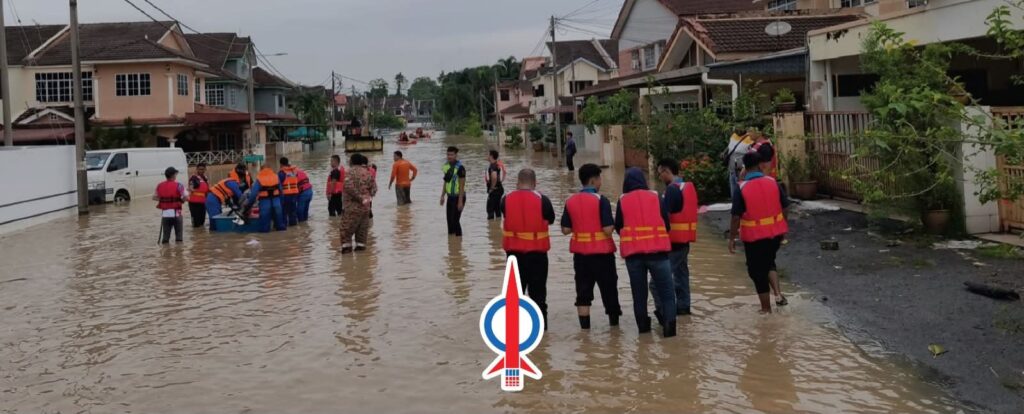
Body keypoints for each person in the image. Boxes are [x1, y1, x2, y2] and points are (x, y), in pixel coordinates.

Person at [615, 167, 676, 337]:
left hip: (634, 256)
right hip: (659, 254)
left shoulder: (623, 200)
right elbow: (666, 224)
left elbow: (619, 226)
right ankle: (670, 332)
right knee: (667, 294)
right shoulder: (656, 196)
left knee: (639, 296)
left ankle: (643, 332)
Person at [561, 163, 622, 329]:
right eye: (600, 178)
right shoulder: (601, 200)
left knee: (583, 293)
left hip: (580, 257)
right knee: (609, 291)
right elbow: (607, 229)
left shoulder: (570, 201)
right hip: (602, 256)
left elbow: (565, 230)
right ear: (593, 180)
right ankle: (615, 332)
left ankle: (585, 332)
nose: (601, 182)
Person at [729, 152, 791, 313]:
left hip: (755, 237)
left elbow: (735, 217)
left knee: (757, 271)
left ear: (745, 167)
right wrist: (782, 225)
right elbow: (785, 207)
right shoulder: (772, 182)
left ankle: (766, 309)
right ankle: (778, 295)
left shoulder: (741, 187)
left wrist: (732, 238)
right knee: (768, 262)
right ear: (760, 165)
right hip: (775, 234)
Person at [501, 168, 555, 328]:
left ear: (517, 183)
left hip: (513, 256)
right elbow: (551, 219)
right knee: (538, 296)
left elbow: (506, 215)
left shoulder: (505, 199)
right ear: (535, 183)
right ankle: (542, 333)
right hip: (537, 256)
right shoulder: (543, 200)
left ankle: (516, 331)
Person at [655, 158, 698, 318]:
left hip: (673, 243)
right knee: (681, 275)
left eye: (660, 174)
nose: (660, 177)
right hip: (684, 241)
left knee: (658, 281)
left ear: (666, 171)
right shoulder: (685, 186)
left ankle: (665, 314)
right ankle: (683, 308)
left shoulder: (672, 190)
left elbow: (664, 217)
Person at [341, 153, 377, 252]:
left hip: (352, 208)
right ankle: (361, 255)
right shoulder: (368, 173)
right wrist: (367, 197)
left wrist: (360, 198)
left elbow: (348, 186)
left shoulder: (349, 172)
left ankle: (347, 254)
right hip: (366, 208)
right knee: (362, 233)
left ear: (352, 161)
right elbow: (374, 189)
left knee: (346, 232)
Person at [248, 164, 287, 232]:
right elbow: (281, 191)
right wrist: (281, 203)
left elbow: (253, 194)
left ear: (261, 170)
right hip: (276, 202)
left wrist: (249, 205)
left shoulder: (259, 178)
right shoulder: (276, 176)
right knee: (280, 226)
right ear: (270, 169)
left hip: (265, 203)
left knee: (264, 229)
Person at [154, 167, 187, 244]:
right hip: (177, 214)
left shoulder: (159, 185)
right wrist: (181, 201)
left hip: (165, 215)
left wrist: (164, 200)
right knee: (179, 238)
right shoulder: (179, 185)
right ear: (173, 175)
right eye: (176, 174)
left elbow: (154, 197)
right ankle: (179, 250)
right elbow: (186, 197)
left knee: (165, 238)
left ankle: (165, 251)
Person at [440, 146, 467, 237]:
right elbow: (446, 182)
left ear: (456, 155)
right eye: (448, 154)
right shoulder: (446, 166)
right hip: (450, 197)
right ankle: (452, 242)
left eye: (451, 155)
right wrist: (442, 196)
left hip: (459, 196)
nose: (449, 156)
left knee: (455, 221)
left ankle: (459, 240)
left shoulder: (460, 168)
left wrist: (460, 201)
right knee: (449, 221)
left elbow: (462, 185)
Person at [723, 128, 753, 200]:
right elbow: (730, 147)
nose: (737, 131)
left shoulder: (750, 139)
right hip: (732, 168)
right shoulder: (734, 135)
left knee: (741, 189)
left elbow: (751, 155)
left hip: (742, 170)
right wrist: (724, 152)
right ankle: (734, 202)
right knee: (733, 187)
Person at [279, 157, 301, 226]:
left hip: (286, 195)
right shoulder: (294, 171)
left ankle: (284, 226)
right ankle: (293, 226)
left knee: (284, 211)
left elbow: (278, 185)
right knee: (293, 211)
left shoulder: (282, 173)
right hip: (295, 194)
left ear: (281, 164)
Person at [186, 163, 209, 228]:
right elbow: (190, 188)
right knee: (196, 223)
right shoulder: (193, 178)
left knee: (202, 221)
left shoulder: (205, 178)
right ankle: (196, 230)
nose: (201, 171)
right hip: (194, 203)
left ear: (205, 169)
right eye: (200, 169)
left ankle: (199, 233)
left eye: (203, 169)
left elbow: (207, 190)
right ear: (197, 169)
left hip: (202, 202)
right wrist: (191, 189)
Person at [485, 150, 504, 220]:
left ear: (491, 156)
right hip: (499, 189)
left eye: (488, 154)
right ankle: (498, 224)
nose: (487, 156)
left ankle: (491, 225)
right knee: (497, 209)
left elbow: (494, 177)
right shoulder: (497, 165)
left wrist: (491, 188)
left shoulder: (493, 166)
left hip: (494, 191)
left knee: (490, 210)